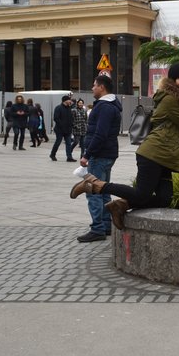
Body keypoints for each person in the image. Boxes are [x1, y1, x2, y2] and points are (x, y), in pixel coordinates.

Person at [72, 63, 179, 230]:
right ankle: (94, 185)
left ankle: (121, 205)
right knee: (142, 194)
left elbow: (178, 121)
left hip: (165, 157)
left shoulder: (177, 99)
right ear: (173, 80)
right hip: (154, 154)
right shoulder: (171, 99)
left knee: (164, 199)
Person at [71, 74, 122, 242]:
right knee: (104, 189)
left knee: (93, 191)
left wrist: (87, 154)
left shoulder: (105, 107)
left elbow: (100, 134)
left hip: (100, 155)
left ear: (102, 87)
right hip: (107, 153)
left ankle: (98, 228)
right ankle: (106, 225)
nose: (92, 88)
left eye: (94, 85)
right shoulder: (110, 105)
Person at [50, 95, 77, 162]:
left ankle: (69, 157)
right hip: (60, 129)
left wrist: (72, 124)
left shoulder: (69, 108)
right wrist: (62, 125)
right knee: (58, 142)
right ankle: (52, 154)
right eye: (69, 100)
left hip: (68, 130)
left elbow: (71, 118)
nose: (70, 101)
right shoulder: (58, 108)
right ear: (65, 100)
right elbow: (56, 118)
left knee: (68, 143)